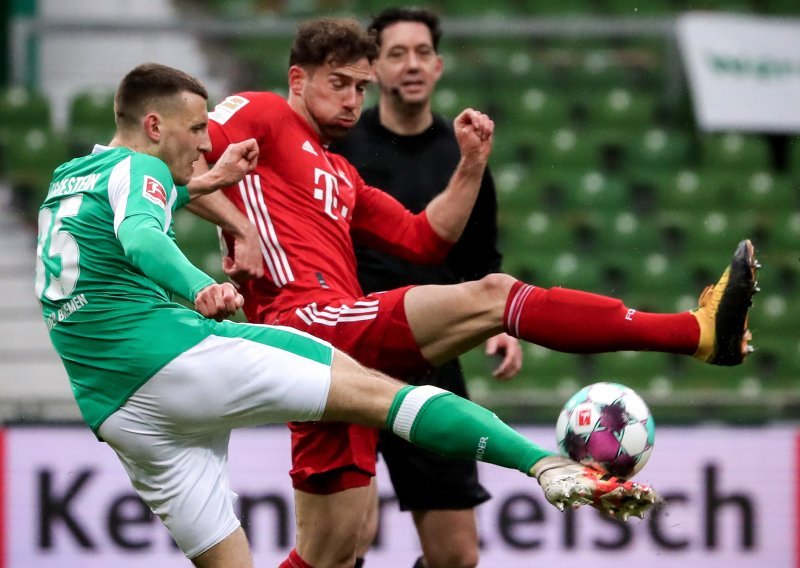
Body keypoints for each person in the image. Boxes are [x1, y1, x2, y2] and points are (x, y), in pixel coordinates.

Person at [35, 62, 659, 568]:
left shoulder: (69, 180)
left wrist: (202, 185)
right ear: (153, 124)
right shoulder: (140, 168)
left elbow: (130, 213)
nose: (204, 143)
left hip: (117, 411)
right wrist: (202, 286)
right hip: (171, 359)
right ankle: (543, 466)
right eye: (196, 129)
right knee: (378, 393)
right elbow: (143, 237)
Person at [198, 17, 757, 568]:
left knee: (331, 555)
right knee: (495, 294)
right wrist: (237, 225)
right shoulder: (261, 111)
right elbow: (176, 162)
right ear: (297, 80)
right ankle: (698, 333)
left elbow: (425, 238)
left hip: (335, 355)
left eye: (360, 87)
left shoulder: (341, 173)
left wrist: (470, 164)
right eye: (337, 83)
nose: (351, 100)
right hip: (306, 323)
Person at [329, 8, 520, 567]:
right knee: (347, 540)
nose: (410, 65)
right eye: (396, 53)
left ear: (437, 67)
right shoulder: (340, 150)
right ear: (375, 68)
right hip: (352, 357)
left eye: (421, 54)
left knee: (457, 557)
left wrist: (501, 327)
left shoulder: (464, 156)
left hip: (431, 359)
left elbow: (482, 258)